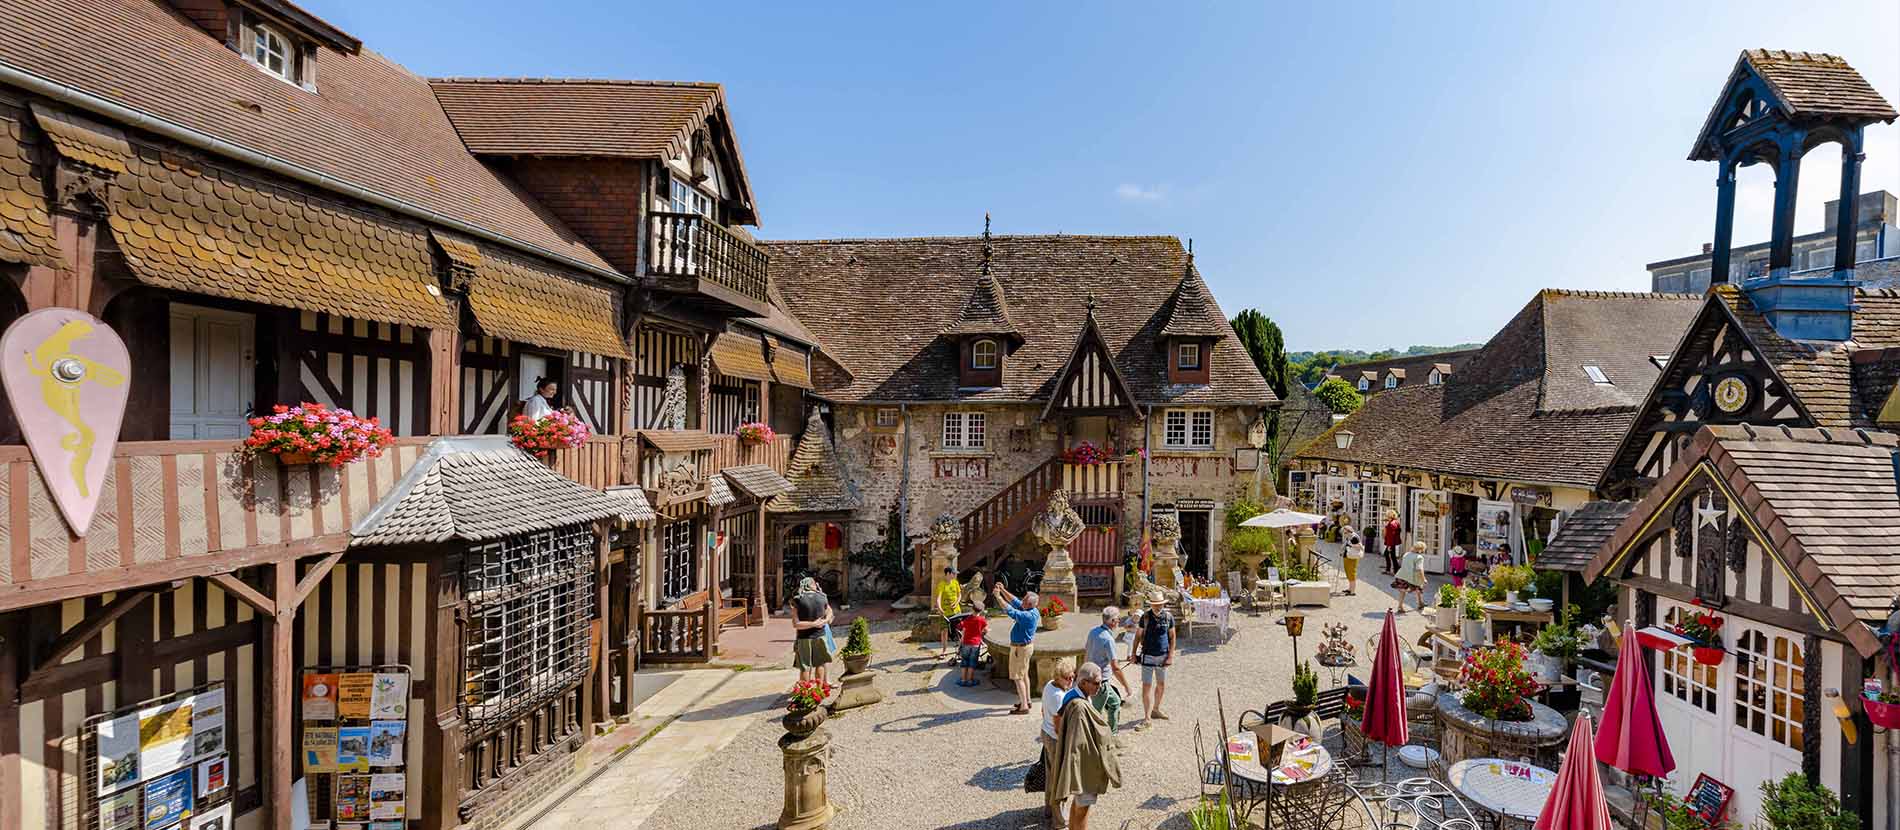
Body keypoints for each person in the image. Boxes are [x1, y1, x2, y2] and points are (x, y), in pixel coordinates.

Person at [1051, 661, 1121, 830]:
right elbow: (1058, 722)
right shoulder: (1077, 704)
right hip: (1083, 766)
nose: (1100, 686)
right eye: (1097, 683)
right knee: (1083, 807)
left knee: (1079, 804)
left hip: (1079, 762)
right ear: (1083, 683)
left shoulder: (1079, 697)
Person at [1040, 658, 1079, 828]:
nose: (1070, 680)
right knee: (1060, 782)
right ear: (1058, 676)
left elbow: (1043, 711)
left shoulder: (1049, 685)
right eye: (1067, 677)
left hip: (1046, 734)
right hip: (1056, 740)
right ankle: (1058, 821)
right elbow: (1060, 726)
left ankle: (1048, 810)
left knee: (1051, 776)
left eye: (1072, 676)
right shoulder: (1059, 697)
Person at [993, 582, 1041, 715]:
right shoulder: (1032, 610)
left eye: (1024, 600)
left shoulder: (1027, 616)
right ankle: (1028, 700)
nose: (1022, 601)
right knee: (1024, 675)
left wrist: (998, 597)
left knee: (1017, 677)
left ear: (1029, 604)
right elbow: (1014, 601)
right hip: (1025, 648)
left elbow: (1010, 610)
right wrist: (1003, 590)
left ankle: (1024, 706)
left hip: (1020, 649)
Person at [1130, 592, 1174, 724]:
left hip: (1162, 656)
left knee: (1161, 685)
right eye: (1155, 604)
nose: (1158, 607)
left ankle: (1156, 709)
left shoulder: (1168, 617)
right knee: (1146, 686)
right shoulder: (1145, 617)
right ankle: (1147, 717)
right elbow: (1138, 636)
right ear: (1151, 605)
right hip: (1147, 656)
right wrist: (1133, 654)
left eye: (1159, 604)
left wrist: (1170, 656)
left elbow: (1172, 637)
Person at [1083, 607, 1127, 732]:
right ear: (1113, 621)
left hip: (1092, 678)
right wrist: (1126, 686)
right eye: (1118, 619)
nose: (1119, 621)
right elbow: (1115, 667)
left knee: (1115, 703)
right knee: (1094, 713)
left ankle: (1112, 734)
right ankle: (1098, 738)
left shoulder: (1093, 631)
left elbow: (1086, 652)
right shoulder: (1108, 639)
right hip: (1100, 683)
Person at [790, 577, 834, 684]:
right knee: (820, 664)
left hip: (804, 638)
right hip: (820, 636)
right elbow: (830, 612)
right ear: (813, 585)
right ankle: (819, 692)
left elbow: (796, 624)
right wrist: (824, 622)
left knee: (805, 666)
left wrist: (813, 624)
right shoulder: (822, 597)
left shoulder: (797, 599)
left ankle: (805, 694)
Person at [934, 566, 963, 660]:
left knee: (959, 631)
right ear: (947, 574)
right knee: (944, 631)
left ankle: (960, 650)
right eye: (953, 573)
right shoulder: (941, 584)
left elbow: (959, 595)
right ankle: (944, 650)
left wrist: (957, 602)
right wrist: (940, 608)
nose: (955, 575)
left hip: (956, 611)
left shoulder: (955, 582)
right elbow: (938, 598)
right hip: (945, 613)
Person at [955, 608, 988, 687]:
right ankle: (970, 680)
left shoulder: (968, 619)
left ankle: (963, 680)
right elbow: (985, 630)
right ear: (981, 611)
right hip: (976, 644)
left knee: (964, 661)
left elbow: (959, 626)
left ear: (972, 609)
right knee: (972, 662)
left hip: (966, 643)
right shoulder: (982, 620)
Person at [1393, 541, 1427, 613]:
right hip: (1412, 577)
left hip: (1402, 575)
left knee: (1403, 591)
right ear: (1421, 549)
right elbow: (1420, 569)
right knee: (1419, 588)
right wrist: (1423, 579)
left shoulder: (1406, 554)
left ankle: (1400, 606)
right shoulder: (1419, 557)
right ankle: (1420, 603)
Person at [1382, 510, 1403, 574]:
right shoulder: (1395, 522)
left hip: (1391, 542)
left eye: (1387, 515)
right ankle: (1391, 569)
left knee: (1390, 555)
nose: (1387, 516)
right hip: (1392, 542)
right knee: (1390, 555)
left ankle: (1393, 570)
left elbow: (1391, 535)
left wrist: (1390, 545)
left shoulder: (1392, 524)